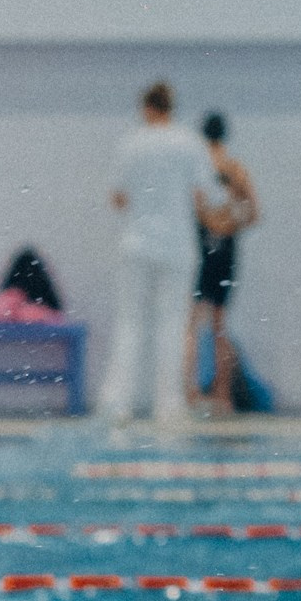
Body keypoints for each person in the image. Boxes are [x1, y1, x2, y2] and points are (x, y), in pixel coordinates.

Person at [100, 81, 205, 424]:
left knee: (129, 323)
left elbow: (118, 199)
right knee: (172, 324)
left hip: (136, 244)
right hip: (177, 245)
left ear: (146, 108)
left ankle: (118, 404)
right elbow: (203, 195)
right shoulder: (189, 142)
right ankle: (169, 406)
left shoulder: (131, 143)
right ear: (171, 107)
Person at [192, 112, 259, 415]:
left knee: (192, 324)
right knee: (219, 325)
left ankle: (190, 394)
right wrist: (229, 224)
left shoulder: (198, 169)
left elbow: (192, 210)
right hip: (226, 247)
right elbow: (254, 213)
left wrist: (210, 222)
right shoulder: (235, 169)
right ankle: (222, 397)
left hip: (201, 245)